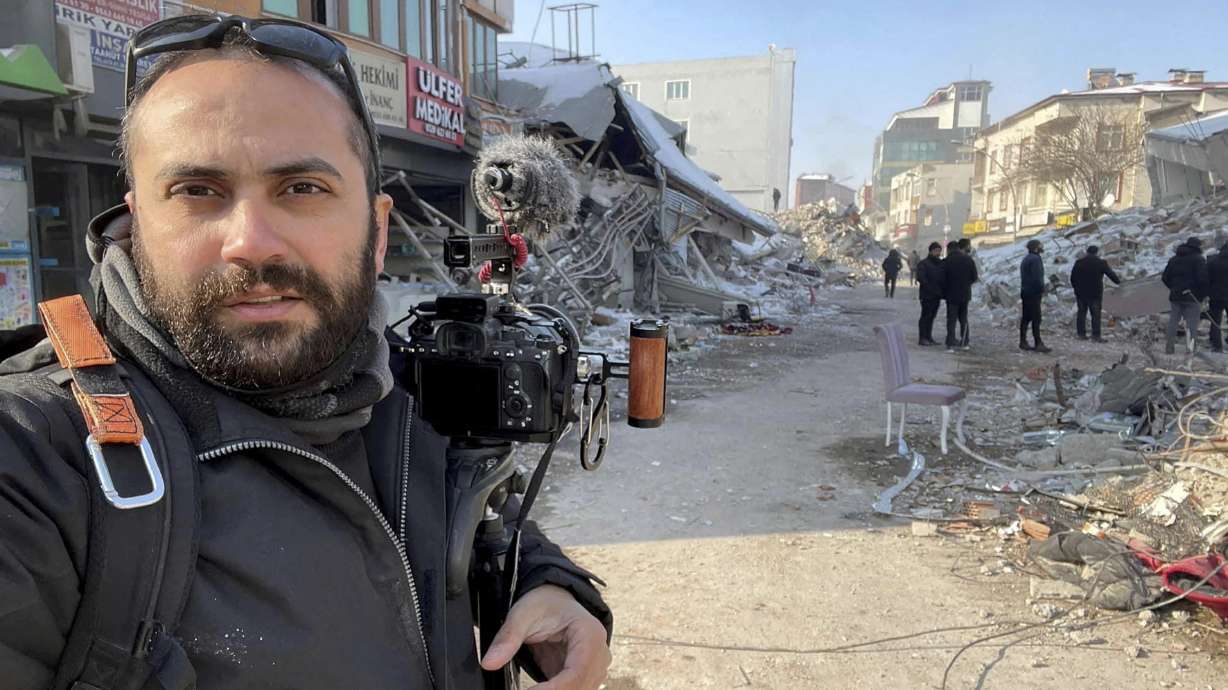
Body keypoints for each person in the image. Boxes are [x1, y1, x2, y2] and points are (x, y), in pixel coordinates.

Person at [0, 17, 611, 690]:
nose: (251, 242)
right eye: (197, 191)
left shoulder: (404, 386)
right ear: (137, 222)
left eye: (302, 188)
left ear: (376, 232)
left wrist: (548, 583)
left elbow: (476, 510)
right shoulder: (36, 454)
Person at [1162, 237, 1210, 354]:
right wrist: (1202, 295)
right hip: (1192, 297)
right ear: (1198, 247)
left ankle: (1169, 347)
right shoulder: (1199, 259)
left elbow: (1164, 277)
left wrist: (1174, 288)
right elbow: (1203, 279)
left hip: (1175, 296)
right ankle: (1190, 349)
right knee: (1192, 323)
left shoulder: (1174, 259)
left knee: (1173, 322)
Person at [1069, 244, 1121, 342]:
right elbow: (1111, 274)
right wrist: (1118, 282)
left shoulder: (1079, 262)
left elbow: (1072, 278)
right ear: (1096, 252)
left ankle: (1081, 334)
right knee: (1096, 314)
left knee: (1081, 313)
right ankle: (1096, 336)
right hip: (1095, 293)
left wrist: (1076, 288)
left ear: (1087, 252)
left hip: (1081, 293)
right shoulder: (1101, 263)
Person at [942, 240, 978, 352]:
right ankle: (965, 342)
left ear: (949, 250)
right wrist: (966, 284)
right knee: (963, 318)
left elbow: (941, 278)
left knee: (951, 319)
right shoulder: (969, 260)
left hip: (951, 294)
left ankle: (950, 344)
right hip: (965, 294)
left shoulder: (946, 261)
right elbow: (974, 277)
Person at [1019, 239, 1051, 353]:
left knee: (1026, 317)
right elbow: (1037, 277)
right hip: (1033, 292)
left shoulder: (1026, 258)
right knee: (1036, 318)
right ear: (1036, 247)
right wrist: (1042, 289)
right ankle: (1038, 343)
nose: (1042, 247)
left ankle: (1023, 341)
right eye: (1040, 245)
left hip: (1025, 291)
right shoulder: (1036, 259)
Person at [915, 242, 945, 346]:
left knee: (932, 316)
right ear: (931, 251)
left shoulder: (940, 263)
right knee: (925, 316)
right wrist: (930, 287)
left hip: (937, 295)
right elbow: (921, 278)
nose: (938, 253)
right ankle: (922, 338)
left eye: (939, 251)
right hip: (927, 295)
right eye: (936, 251)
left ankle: (929, 337)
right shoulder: (923, 263)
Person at [1209, 242, 1228, 353]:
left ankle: (1216, 346)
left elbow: (1207, 278)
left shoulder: (1213, 260)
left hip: (1215, 296)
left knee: (1215, 320)